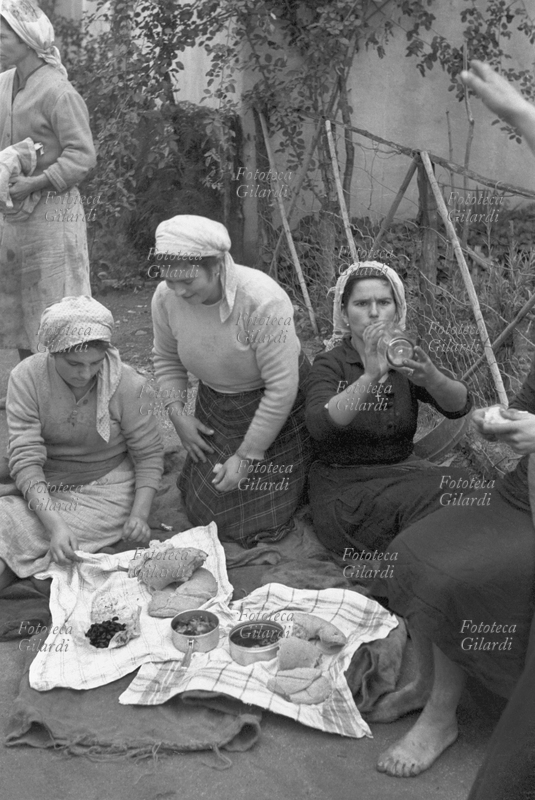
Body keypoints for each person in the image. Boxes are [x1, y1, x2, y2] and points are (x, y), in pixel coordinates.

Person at [366, 63, 535, 780]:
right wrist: (518, 112)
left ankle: (440, 717)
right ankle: (429, 686)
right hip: (522, 493)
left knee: (458, 573)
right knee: (417, 548)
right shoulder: (335, 354)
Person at [151, 215, 312, 547]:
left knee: (246, 518)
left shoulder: (264, 301)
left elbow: (282, 387)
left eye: (188, 281)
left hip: (277, 405)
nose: (179, 291)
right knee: (205, 505)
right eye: (170, 280)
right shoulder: (165, 299)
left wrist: (248, 455)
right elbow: (166, 359)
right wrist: (177, 414)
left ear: (218, 266)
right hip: (216, 403)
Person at [304, 261, 472, 556]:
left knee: (467, 486)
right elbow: (320, 424)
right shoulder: (331, 363)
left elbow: (459, 407)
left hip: (402, 476)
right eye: (361, 303)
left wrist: (432, 378)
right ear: (344, 313)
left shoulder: (403, 357)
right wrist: (369, 375)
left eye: (384, 302)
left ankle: (421, 557)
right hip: (346, 491)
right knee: (440, 506)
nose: (373, 312)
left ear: (397, 309)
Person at [0, 296, 163, 589]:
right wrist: (56, 525)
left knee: (21, 529)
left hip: (104, 488)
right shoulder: (27, 377)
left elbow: (149, 455)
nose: (85, 373)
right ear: (51, 352)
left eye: (95, 363)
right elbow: (25, 458)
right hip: (47, 476)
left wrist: (139, 515)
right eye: (74, 363)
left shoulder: (129, 385)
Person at [0, 0, 96, 407]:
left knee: (55, 307)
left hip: (53, 217)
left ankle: (69, 399)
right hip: (14, 217)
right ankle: (32, 392)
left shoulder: (58, 92)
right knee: (19, 308)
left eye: (3, 36)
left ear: (27, 40)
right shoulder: (5, 83)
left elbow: (82, 156)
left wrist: (33, 183)